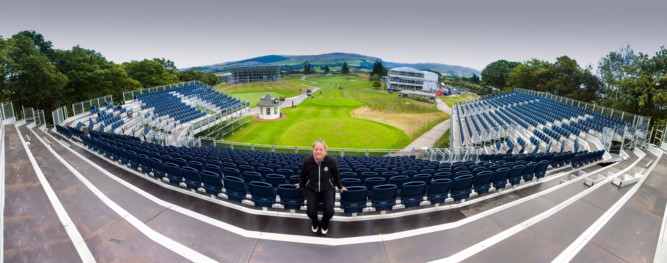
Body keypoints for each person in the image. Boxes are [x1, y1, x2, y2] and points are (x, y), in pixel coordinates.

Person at [296, 140, 346, 234]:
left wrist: (340, 186)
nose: (318, 151)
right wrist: (301, 184)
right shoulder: (307, 161)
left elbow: (336, 175)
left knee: (329, 212)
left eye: (321, 149)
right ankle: (314, 222)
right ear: (313, 150)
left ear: (325, 150)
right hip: (312, 188)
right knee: (310, 212)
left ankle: (324, 222)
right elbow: (303, 175)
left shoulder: (331, 161)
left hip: (327, 188)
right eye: (316, 149)